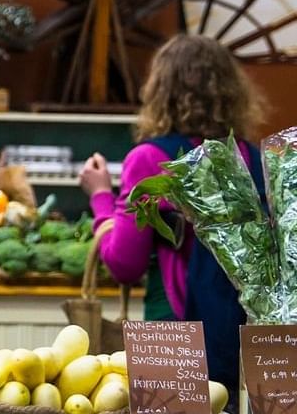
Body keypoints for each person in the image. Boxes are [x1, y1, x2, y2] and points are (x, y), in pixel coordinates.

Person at [84, 34, 267, 394]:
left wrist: (101, 197)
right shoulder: (253, 158)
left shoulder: (151, 159)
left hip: (175, 332)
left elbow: (124, 263)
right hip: (249, 336)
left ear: (159, 91)